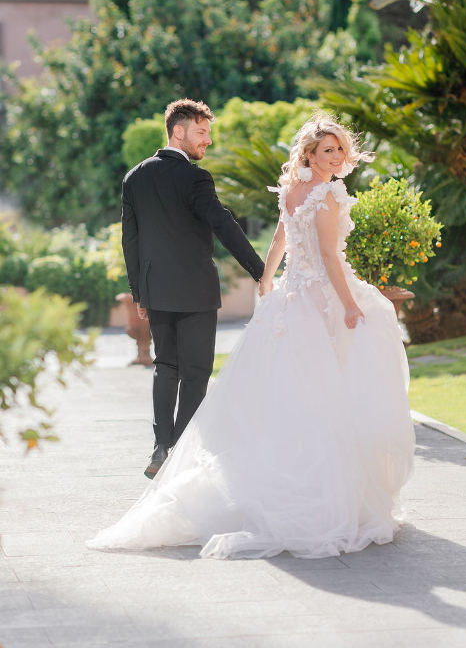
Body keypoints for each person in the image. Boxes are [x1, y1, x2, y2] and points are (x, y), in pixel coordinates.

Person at [88, 114, 414, 559]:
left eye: (339, 149)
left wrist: (264, 280)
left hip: (239, 295)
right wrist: (340, 301)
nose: (336, 156)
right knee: (314, 384)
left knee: (185, 372)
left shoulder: (138, 177)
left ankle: (166, 444)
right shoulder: (317, 192)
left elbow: (275, 241)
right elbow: (309, 251)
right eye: (328, 150)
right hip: (299, 297)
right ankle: (304, 482)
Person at [121, 98, 265, 479]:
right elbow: (223, 223)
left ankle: (161, 447)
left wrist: (139, 293)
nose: (208, 142)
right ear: (178, 131)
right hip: (197, 291)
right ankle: (183, 449)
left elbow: (130, 241)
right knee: (197, 371)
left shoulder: (134, 177)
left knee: (166, 367)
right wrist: (259, 270)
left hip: (156, 290)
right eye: (202, 133)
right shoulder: (195, 178)